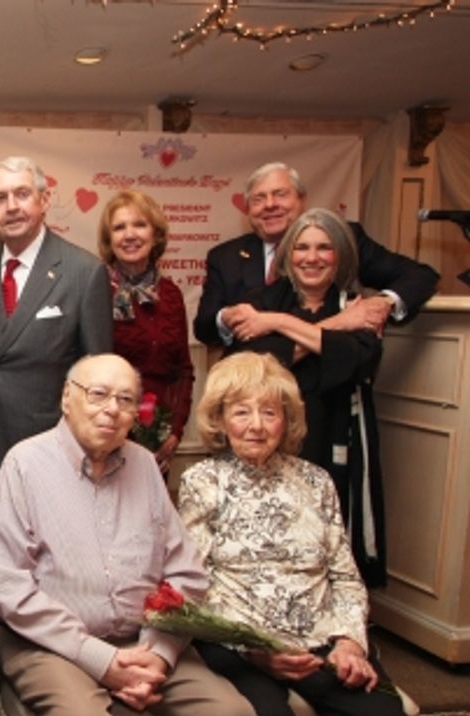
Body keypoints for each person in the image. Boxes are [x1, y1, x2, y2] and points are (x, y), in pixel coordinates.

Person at [0, 354, 260, 716]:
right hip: (50, 644)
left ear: (138, 412)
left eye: (126, 400)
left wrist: (156, 652)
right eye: (98, 395)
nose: (111, 410)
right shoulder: (25, 464)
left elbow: (186, 573)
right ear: (67, 397)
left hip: (146, 638)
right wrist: (104, 661)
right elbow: (9, 589)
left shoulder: (146, 470)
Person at [178, 352, 420, 716]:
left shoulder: (316, 482)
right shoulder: (202, 482)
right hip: (240, 648)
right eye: (241, 411)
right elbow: (193, 584)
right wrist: (255, 648)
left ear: (289, 420)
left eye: (270, 412)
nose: (257, 425)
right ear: (219, 418)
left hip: (321, 642)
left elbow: (345, 574)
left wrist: (350, 642)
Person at [221, 208, 386, 583]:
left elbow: (357, 360)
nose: (312, 258)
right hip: (264, 438)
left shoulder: (360, 307)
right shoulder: (261, 300)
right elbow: (251, 366)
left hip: (332, 437)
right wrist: (332, 330)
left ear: (340, 254)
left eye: (324, 247)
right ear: (288, 255)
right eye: (302, 247)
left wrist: (278, 326)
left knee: (327, 535)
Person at [0, 156, 112, 488]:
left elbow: (97, 376)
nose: (11, 207)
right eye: (0, 198)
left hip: (47, 453)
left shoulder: (84, 272)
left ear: (44, 201)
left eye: (22, 194)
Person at [194, 161, 439, 349]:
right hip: (257, 393)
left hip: (329, 386)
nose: (270, 205)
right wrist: (225, 317)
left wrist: (384, 302)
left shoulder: (343, 238)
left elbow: (420, 275)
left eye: (280, 194)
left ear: (302, 200)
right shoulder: (224, 257)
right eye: (259, 199)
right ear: (248, 210)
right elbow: (204, 327)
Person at [98, 190, 194, 475]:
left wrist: (174, 431)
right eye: (119, 227)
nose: (130, 235)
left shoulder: (172, 294)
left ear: (156, 234)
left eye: (139, 224)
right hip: (107, 431)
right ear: (109, 240)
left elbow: (183, 371)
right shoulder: (96, 290)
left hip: (157, 438)